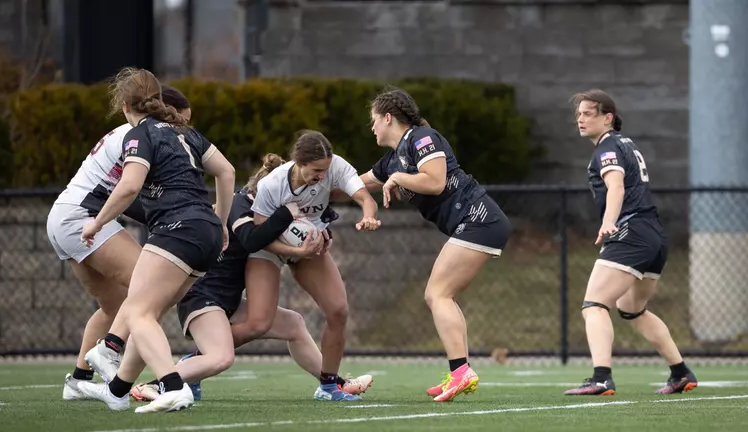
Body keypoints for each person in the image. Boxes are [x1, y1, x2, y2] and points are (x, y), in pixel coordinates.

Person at [131, 153, 373, 403]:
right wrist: (294, 237)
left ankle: (332, 385)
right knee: (221, 357)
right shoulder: (241, 205)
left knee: (294, 324)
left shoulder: (274, 208)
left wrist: (321, 232)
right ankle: (156, 384)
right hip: (204, 297)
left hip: (229, 300)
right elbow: (253, 239)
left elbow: (300, 224)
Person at [74, 67, 236, 413]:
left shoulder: (140, 134)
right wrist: (220, 223)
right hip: (205, 231)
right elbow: (227, 171)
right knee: (142, 308)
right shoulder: (185, 132)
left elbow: (130, 186)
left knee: (140, 312)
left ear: (125, 106)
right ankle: (116, 386)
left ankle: (172, 385)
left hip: (176, 228)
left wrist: (96, 223)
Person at [357, 87, 511, 402]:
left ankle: (461, 373)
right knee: (440, 295)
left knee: (437, 293)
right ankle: (459, 373)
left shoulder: (422, 137)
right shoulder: (393, 159)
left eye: (374, 120)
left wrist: (399, 178)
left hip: (481, 219)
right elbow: (355, 184)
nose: (372, 127)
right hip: (474, 224)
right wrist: (314, 185)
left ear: (388, 117)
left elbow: (435, 180)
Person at [45, 85, 193, 401]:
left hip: (67, 216)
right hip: (82, 217)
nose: (181, 131)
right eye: (178, 121)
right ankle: (152, 376)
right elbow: (130, 192)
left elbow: (134, 197)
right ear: (160, 110)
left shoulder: (136, 132)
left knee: (115, 308)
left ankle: (79, 380)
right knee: (147, 289)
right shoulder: (142, 136)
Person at [563, 89, 697, 396]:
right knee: (632, 308)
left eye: (588, 113)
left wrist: (609, 221)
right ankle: (680, 372)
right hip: (653, 234)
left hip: (631, 230)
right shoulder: (626, 144)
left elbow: (616, 187)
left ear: (607, 118)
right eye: (578, 114)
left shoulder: (606, 148)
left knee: (594, 305)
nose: (580, 119)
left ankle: (601, 378)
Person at [230, 130, 380, 402]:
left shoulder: (335, 167)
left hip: (309, 247)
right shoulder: (272, 184)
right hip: (271, 248)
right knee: (259, 323)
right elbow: (261, 237)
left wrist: (369, 216)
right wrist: (296, 250)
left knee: (338, 311)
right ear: (298, 162)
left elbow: (365, 198)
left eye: (325, 170)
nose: (322, 176)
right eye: (315, 171)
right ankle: (198, 361)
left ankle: (329, 386)